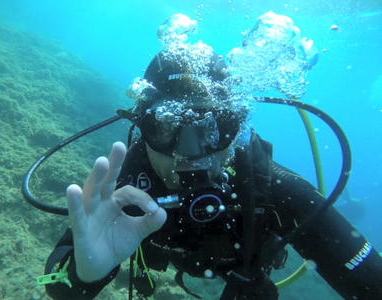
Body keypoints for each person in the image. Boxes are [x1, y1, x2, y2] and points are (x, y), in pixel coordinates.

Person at [40, 15, 382, 300]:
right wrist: (81, 276)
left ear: (238, 125)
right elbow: (59, 287)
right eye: (165, 126)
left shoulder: (275, 189)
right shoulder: (126, 186)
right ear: (141, 127)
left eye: (213, 127)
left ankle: (354, 203)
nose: (192, 155)